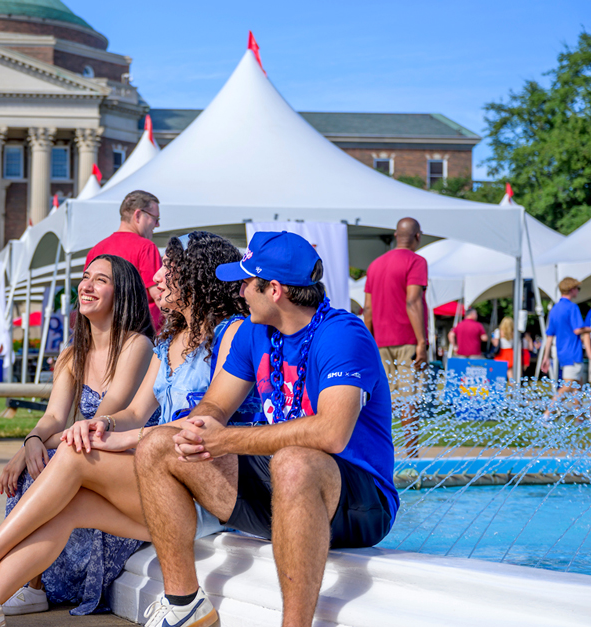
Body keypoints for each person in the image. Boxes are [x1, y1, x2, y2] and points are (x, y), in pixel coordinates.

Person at [0, 235, 260, 626]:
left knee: (74, 454)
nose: (157, 278)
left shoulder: (233, 333)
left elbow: (208, 422)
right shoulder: (168, 343)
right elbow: (136, 411)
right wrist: (103, 423)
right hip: (166, 487)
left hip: (208, 489)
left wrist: (112, 436)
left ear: (194, 278)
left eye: (168, 269)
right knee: (69, 508)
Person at [127, 231, 396, 627]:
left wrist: (227, 439)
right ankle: (184, 604)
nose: (238, 291)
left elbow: (331, 434)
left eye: (245, 281)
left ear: (274, 290)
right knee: (158, 444)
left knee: (294, 462)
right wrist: (198, 427)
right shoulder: (256, 331)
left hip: (358, 501)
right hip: (285, 485)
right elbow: (217, 404)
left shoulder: (343, 333)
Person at [363, 217, 427, 454]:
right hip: (407, 339)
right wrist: (422, 342)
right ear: (417, 237)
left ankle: (380, 452)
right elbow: (413, 301)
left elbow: (367, 309)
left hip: (379, 342)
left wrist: (367, 342)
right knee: (408, 398)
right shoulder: (416, 261)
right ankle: (412, 456)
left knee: (382, 399)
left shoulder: (375, 265)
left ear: (394, 235)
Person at [84, 190, 164, 331]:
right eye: (155, 218)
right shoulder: (146, 247)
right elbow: (159, 295)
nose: (157, 225)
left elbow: (88, 294)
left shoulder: (96, 250)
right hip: (141, 334)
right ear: (138, 215)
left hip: (104, 334)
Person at [539, 278, 590, 404]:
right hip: (573, 353)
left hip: (562, 353)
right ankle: (546, 415)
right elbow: (577, 330)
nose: (578, 292)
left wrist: (545, 357)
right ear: (572, 290)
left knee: (578, 386)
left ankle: (580, 420)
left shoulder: (555, 309)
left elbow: (549, 335)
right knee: (568, 386)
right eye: (578, 289)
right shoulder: (572, 307)